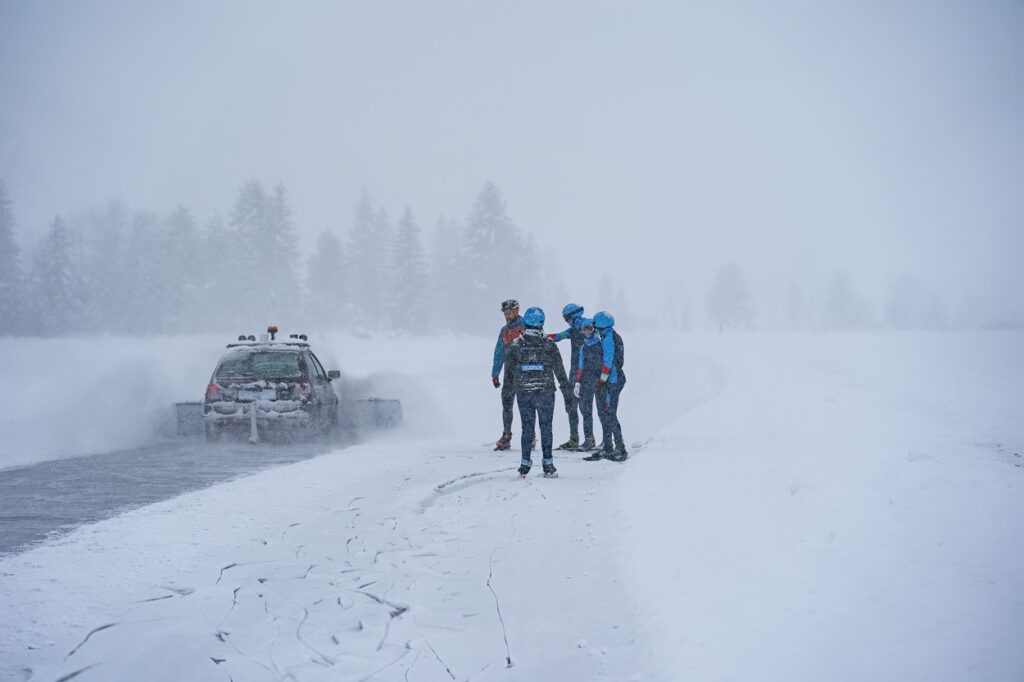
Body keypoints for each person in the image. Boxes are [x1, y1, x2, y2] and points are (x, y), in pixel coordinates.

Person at [505, 306, 573, 477]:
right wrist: (567, 395)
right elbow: (560, 372)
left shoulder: (516, 344)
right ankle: (548, 464)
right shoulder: (549, 344)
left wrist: (508, 395)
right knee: (546, 427)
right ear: (542, 322)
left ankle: (525, 463)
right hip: (545, 392)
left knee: (527, 428)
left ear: (525, 322)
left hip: (524, 392)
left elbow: (509, 373)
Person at [579, 311, 627, 462]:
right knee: (604, 413)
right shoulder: (610, 336)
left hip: (612, 381)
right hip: (612, 380)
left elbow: (607, 363)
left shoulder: (608, 339)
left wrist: (601, 381)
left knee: (609, 413)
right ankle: (608, 446)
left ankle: (620, 448)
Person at [547, 302, 588, 449]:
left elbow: (558, 337)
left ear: (572, 316)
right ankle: (580, 438)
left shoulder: (580, 329)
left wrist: (543, 336)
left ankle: (579, 438)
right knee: (578, 405)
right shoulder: (579, 329)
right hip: (580, 371)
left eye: (566, 318)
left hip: (581, 373)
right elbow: (558, 336)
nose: (566, 321)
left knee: (577, 405)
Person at [492, 299, 525, 450]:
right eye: (505, 313)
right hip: (509, 372)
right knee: (507, 404)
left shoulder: (526, 325)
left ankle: (530, 436)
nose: (507, 315)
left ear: (517, 311)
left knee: (526, 404)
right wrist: (495, 372)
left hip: (525, 371)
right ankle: (506, 435)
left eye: (509, 312)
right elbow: (499, 352)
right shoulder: (504, 330)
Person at [570, 317, 600, 451]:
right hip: (586, 381)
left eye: (589, 328)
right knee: (585, 409)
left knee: (603, 411)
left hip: (600, 382)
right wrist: (578, 382)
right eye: (584, 329)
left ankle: (608, 439)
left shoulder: (600, 344)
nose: (587, 331)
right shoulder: (584, 347)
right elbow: (581, 366)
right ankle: (589, 439)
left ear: (593, 329)